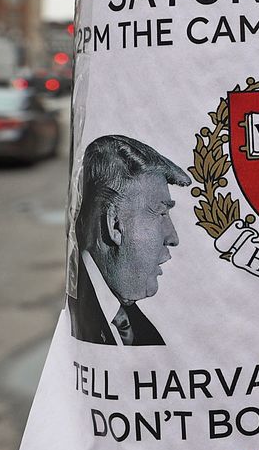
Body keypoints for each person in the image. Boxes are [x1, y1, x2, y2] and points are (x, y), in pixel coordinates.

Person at [70, 134, 191, 346]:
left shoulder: (139, 327)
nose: (173, 238)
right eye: (161, 213)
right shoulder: (81, 313)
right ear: (114, 224)